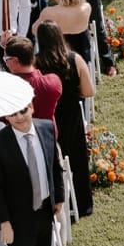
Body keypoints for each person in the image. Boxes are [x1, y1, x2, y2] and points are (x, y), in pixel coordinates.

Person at [0, 101, 62, 246]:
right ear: (6, 116)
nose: (18, 117)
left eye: (22, 111)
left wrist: (60, 197)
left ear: (32, 107)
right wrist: (4, 222)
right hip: (17, 218)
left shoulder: (47, 128)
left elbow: (55, 166)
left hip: (45, 209)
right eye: (12, 114)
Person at [35, 19, 95, 217]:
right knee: (76, 159)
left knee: (54, 162)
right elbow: (89, 91)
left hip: (47, 118)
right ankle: (82, 203)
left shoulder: (36, 63)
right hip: (71, 116)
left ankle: (57, 201)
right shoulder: (74, 59)